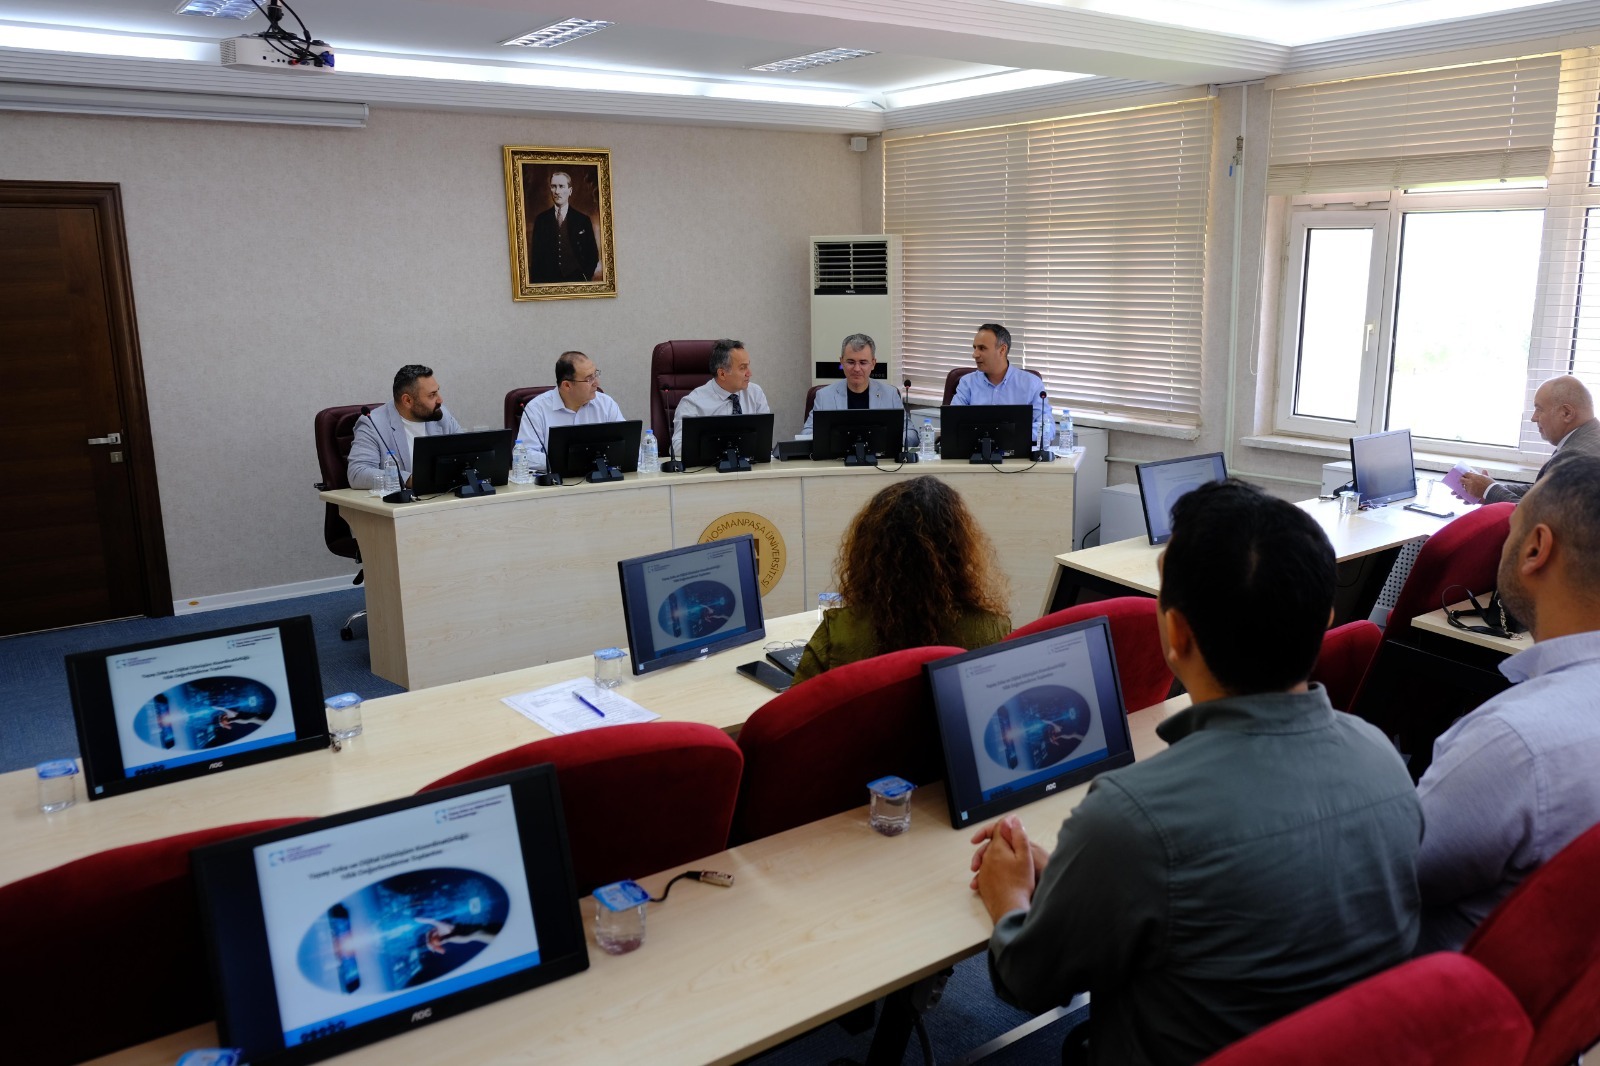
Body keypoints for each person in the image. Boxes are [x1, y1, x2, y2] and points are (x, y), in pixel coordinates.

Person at [969, 480, 1421, 1066]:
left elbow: (1028, 983)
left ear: (1177, 634)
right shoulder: (1382, 758)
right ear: (1325, 621)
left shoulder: (1132, 818)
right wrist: (1081, 876)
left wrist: (1009, 896)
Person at [1415, 455, 1600, 952]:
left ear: (1536, 548)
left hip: (1438, 1006)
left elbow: (1383, 878)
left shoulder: (1514, 742)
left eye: (1512, 530)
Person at [790, 476, 1010, 684]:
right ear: (960, 552)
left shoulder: (838, 632)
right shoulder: (993, 630)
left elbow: (794, 715)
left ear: (868, 554)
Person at [1457, 375, 1600, 503]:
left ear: (1566, 413)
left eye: (1539, 409)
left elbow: (1535, 517)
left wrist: (1488, 489)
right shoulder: (1590, 438)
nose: (1533, 418)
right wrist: (1487, 490)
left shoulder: (1575, 456)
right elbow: (1544, 492)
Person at [347, 364, 464, 491]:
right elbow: (357, 474)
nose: (440, 400)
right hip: (398, 507)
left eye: (438, 391)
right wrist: (409, 480)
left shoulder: (440, 415)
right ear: (407, 401)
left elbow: (467, 454)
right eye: (432, 395)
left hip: (442, 498)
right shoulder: (373, 423)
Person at [516, 351, 625, 472]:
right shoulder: (536, 409)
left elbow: (626, 445)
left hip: (599, 481)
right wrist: (570, 460)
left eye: (596, 375)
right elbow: (524, 456)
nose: (596, 383)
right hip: (556, 485)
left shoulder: (606, 404)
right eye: (589, 379)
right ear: (567, 385)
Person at [800, 333, 916, 447]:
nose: (856, 368)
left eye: (863, 362)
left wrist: (888, 442)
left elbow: (911, 434)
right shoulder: (824, 396)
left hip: (880, 462)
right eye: (850, 362)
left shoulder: (890, 394)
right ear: (841, 362)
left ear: (873, 364)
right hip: (837, 461)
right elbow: (806, 434)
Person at [951, 322, 1053, 448]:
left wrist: (1004, 433)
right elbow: (951, 424)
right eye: (974, 348)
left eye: (982, 348)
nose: (975, 354)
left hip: (1017, 457)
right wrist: (1003, 432)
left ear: (1002, 350)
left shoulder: (1031, 383)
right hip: (974, 454)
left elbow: (1048, 429)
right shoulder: (967, 383)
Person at [671, 338, 771, 458]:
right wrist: (719, 445)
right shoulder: (693, 403)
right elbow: (676, 448)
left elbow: (764, 440)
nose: (749, 373)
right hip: (711, 472)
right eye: (743, 368)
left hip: (750, 468)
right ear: (722, 374)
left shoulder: (755, 393)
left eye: (747, 366)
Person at [528, 170, 600, 283]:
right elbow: (536, 259)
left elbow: (592, 255)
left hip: (576, 281)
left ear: (570, 191)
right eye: (553, 187)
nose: (557, 191)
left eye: (561, 186)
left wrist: (585, 277)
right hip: (548, 283)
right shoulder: (541, 220)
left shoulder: (582, 220)